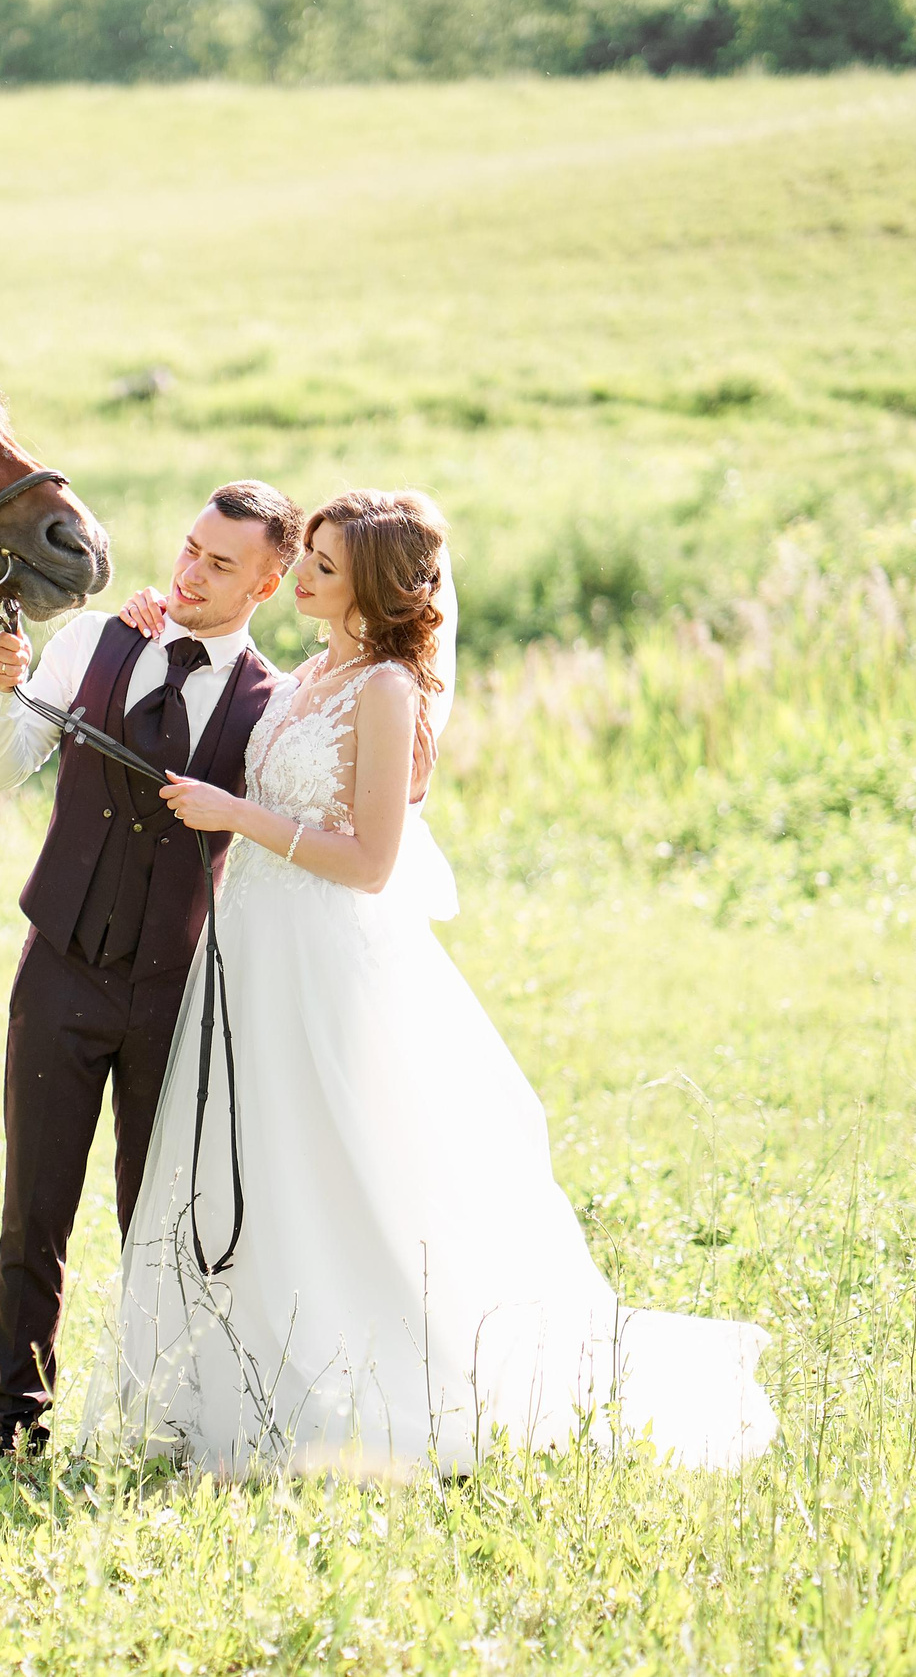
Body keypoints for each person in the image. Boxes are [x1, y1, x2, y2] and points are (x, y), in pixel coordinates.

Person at [99, 489, 778, 1476]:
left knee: (341, 1168)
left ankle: (368, 1384)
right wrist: (153, 634)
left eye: (324, 568)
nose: (304, 578)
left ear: (370, 589)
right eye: (310, 561)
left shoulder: (383, 691)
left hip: (324, 958)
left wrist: (236, 818)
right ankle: (235, 1382)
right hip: (250, 954)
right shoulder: (303, 677)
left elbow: (371, 860)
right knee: (260, 1158)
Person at [0, 480, 306, 1456]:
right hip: (60, 967)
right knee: (34, 1206)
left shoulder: (274, 707)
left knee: (157, 1215)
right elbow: (0, 771)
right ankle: (12, 1423)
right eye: (190, 548)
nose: (190, 572)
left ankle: (162, 1413)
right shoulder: (91, 642)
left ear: (268, 584)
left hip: (176, 988)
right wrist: (0, 686)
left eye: (220, 564)